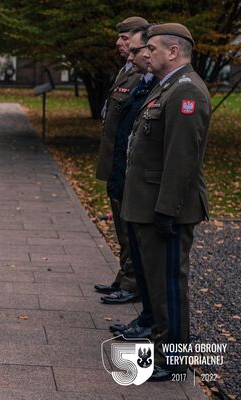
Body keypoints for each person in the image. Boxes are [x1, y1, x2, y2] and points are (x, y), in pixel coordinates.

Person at [121, 23, 211, 381]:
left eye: (153, 48)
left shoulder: (186, 92)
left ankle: (173, 359)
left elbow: (181, 159)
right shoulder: (168, 88)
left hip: (165, 208)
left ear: (173, 51)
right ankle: (162, 347)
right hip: (149, 204)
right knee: (158, 286)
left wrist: (166, 210)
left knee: (170, 285)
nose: (146, 53)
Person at [107, 26, 158, 340]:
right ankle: (148, 316)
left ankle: (165, 338)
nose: (141, 56)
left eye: (143, 49)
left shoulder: (178, 89)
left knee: (159, 269)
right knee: (133, 245)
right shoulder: (148, 82)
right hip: (126, 171)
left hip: (148, 188)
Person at [94, 16, 149, 304]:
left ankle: (131, 283)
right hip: (115, 162)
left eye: (126, 38)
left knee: (129, 228)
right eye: (120, 37)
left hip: (127, 166)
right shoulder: (126, 70)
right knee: (121, 226)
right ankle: (124, 275)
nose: (119, 42)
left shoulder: (142, 75)